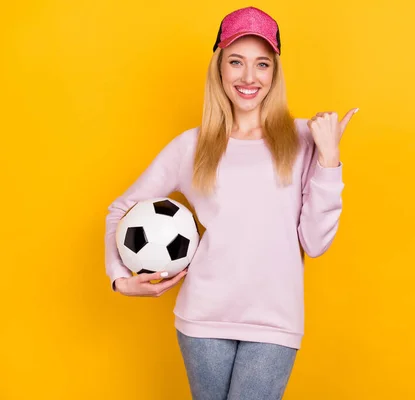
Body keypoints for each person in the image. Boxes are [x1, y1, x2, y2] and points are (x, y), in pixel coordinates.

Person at [104, 6, 357, 400]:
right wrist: (120, 278)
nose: (248, 77)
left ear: (274, 72)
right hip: (201, 320)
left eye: (262, 64)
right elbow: (122, 208)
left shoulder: (305, 137)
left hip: (274, 322)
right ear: (219, 68)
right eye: (235, 62)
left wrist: (328, 161)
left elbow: (315, 242)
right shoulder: (192, 145)